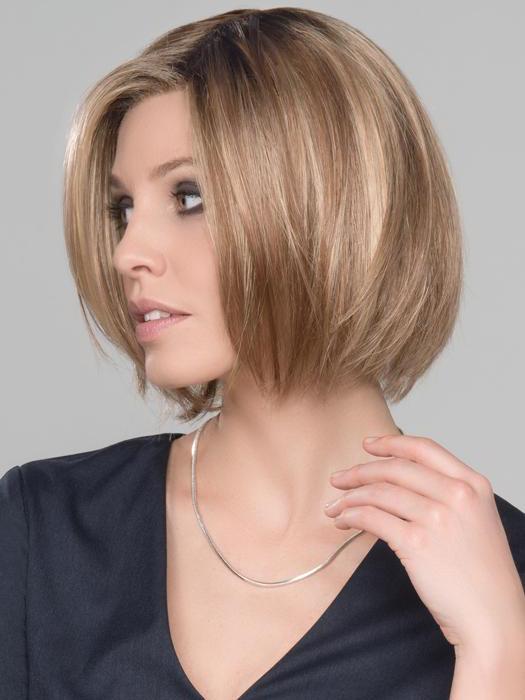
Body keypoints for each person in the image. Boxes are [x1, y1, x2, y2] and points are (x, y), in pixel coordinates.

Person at [1, 7, 524, 700]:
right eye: (123, 208)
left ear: (325, 207)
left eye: (188, 196)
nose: (127, 253)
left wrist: (498, 648)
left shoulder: (505, 575)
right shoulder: (43, 531)